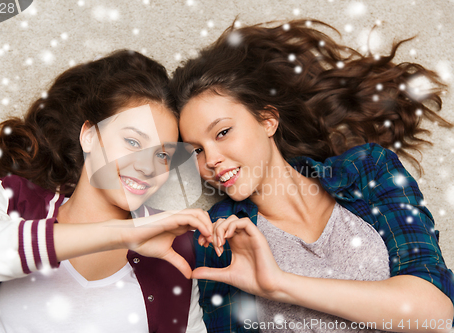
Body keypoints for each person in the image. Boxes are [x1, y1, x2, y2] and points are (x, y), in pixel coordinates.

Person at [170, 19, 454, 332]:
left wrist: (280, 285)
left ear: (267, 120)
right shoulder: (218, 238)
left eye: (222, 132)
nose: (211, 159)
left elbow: (435, 312)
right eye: (195, 150)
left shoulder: (369, 170)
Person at [0, 50, 213, 332]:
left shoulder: (173, 250)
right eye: (132, 141)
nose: (147, 167)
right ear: (89, 135)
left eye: (163, 156)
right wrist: (121, 233)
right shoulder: (18, 203)